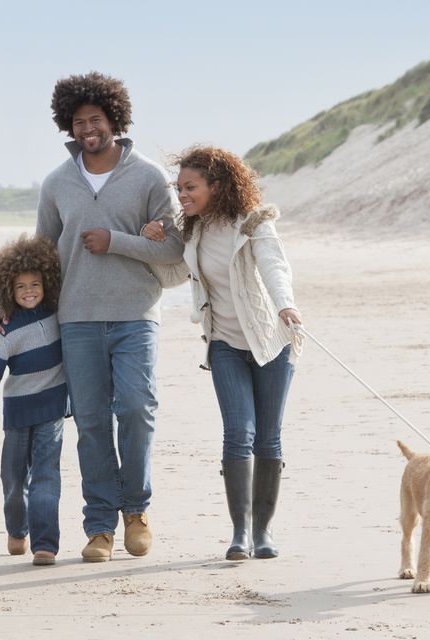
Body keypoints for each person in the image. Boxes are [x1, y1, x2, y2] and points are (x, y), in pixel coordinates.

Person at [0, 72, 183, 562]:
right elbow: (40, 255)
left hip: (136, 314)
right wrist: (9, 306)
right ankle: (100, 526)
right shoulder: (57, 183)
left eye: (95, 119)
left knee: (136, 408)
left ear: (115, 119)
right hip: (75, 320)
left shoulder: (148, 178)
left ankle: (136, 510)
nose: (87, 129)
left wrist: (115, 240)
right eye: (78, 122)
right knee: (93, 422)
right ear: (68, 126)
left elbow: (174, 247)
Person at [141, 145, 302, 560]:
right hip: (224, 344)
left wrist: (286, 304)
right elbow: (175, 274)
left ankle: (263, 532)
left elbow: (274, 266)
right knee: (238, 432)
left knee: (268, 437)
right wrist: (152, 242)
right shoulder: (192, 232)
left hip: (270, 342)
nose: (182, 196)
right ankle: (241, 533)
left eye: (190, 187)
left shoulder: (253, 222)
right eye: (179, 189)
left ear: (217, 185)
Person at [0, 234, 67, 566]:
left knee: (46, 476)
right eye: (21, 286)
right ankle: (17, 529)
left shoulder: (60, 315)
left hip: (52, 411)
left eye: (36, 284)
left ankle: (45, 544)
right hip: (17, 415)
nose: (29, 291)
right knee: (13, 480)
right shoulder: (6, 330)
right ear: (7, 291)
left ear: (47, 282)